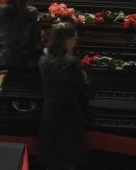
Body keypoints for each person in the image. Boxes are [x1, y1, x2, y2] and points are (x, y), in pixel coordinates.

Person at [37, 23, 88, 170]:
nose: (75, 42)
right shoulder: (72, 62)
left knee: (52, 153)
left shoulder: (43, 61)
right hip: (69, 112)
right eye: (74, 39)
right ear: (67, 40)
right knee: (68, 156)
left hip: (49, 111)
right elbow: (83, 89)